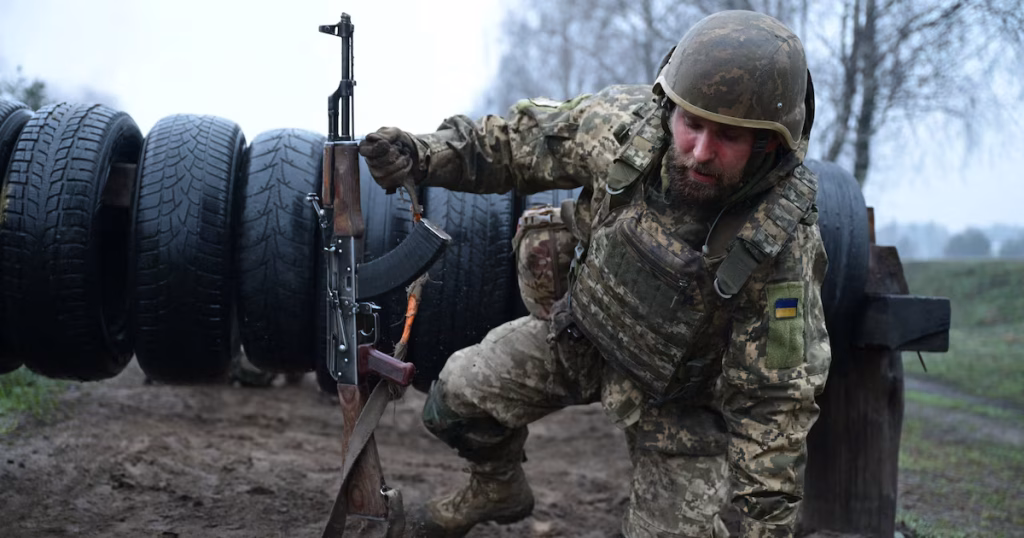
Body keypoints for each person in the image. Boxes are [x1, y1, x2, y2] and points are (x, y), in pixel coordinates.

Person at [358, 10, 831, 538]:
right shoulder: (624, 129)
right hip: (580, 336)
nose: (699, 151)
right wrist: (423, 154)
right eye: (691, 125)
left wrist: (769, 528)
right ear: (669, 107)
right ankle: (498, 487)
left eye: (726, 137)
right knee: (455, 399)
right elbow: (520, 141)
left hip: (678, 400)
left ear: (768, 142)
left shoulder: (778, 241)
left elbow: (774, 401)